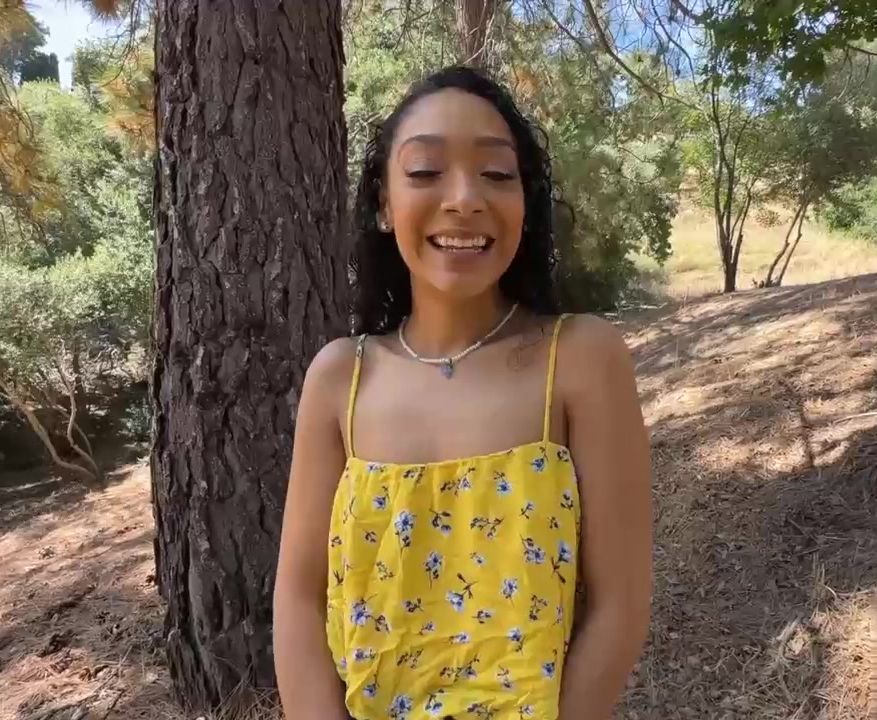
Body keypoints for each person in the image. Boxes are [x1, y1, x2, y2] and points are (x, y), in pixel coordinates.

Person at [273, 65, 652, 720]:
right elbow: (297, 600)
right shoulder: (340, 379)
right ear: (384, 205)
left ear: (525, 203)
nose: (465, 198)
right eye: (425, 172)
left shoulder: (580, 360)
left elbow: (620, 605)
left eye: (497, 174)